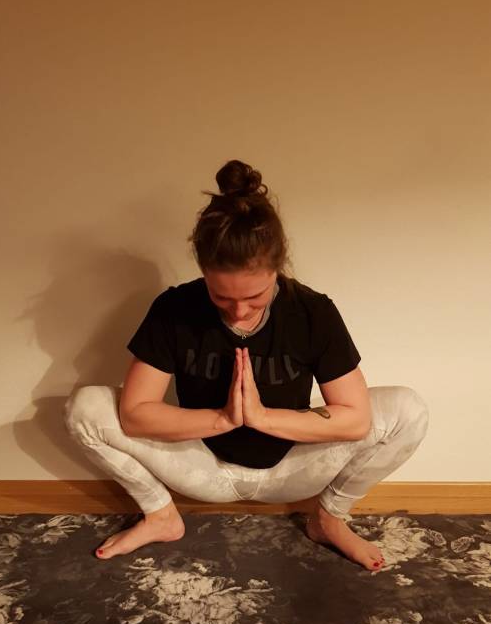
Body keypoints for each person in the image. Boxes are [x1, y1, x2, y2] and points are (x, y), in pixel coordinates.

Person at [64, 158, 429, 573]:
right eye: (221, 297)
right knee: (85, 408)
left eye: (254, 297)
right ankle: (161, 515)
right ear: (204, 272)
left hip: (293, 468)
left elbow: (356, 419)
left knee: (408, 410)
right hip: (201, 466)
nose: (238, 312)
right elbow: (134, 414)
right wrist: (223, 419)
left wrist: (261, 417)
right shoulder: (174, 309)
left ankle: (328, 519)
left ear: (277, 269)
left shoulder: (313, 312)